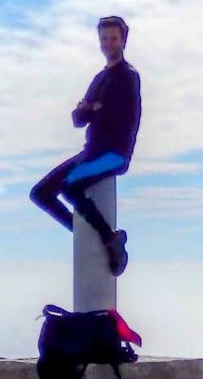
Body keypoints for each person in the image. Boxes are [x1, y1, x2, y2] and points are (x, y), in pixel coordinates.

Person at [29, 15, 142, 277]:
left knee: (70, 186)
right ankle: (82, 232)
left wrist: (93, 109)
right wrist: (92, 109)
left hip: (114, 153)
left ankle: (109, 238)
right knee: (41, 193)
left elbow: (119, 116)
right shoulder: (100, 78)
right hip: (91, 151)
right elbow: (78, 119)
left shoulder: (127, 76)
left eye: (113, 38)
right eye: (104, 38)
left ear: (123, 40)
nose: (108, 43)